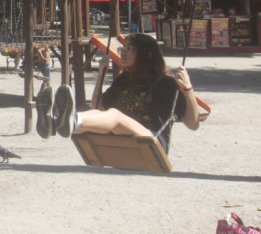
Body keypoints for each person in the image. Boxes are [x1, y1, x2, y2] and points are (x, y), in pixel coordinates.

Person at [35, 32, 199, 150]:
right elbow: (97, 109)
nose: (123, 53)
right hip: (124, 136)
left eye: (130, 49)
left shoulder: (166, 84)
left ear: (148, 54)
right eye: (123, 49)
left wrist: (188, 89)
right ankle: (53, 124)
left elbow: (193, 124)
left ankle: (71, 120)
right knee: (96, 116)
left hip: (152, 139)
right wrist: (101, 74)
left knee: (115, 116)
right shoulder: (123, 80)